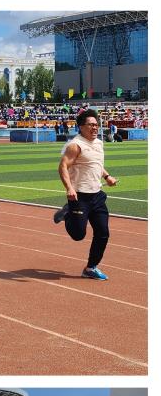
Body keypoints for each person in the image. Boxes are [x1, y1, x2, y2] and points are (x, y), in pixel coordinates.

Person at [52, 108, 118, 281]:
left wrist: (107, 176)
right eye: (91, 125)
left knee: (103, 233)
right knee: (78, 235)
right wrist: (69, 188)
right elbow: (63, 166)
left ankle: (90, 268)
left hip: (97, 196)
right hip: (80, 196)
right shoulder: (75, 145)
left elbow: (96, 164)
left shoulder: (99, 143)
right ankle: (67, 213)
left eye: (96, 125)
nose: (95, 128)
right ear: (81, 127)